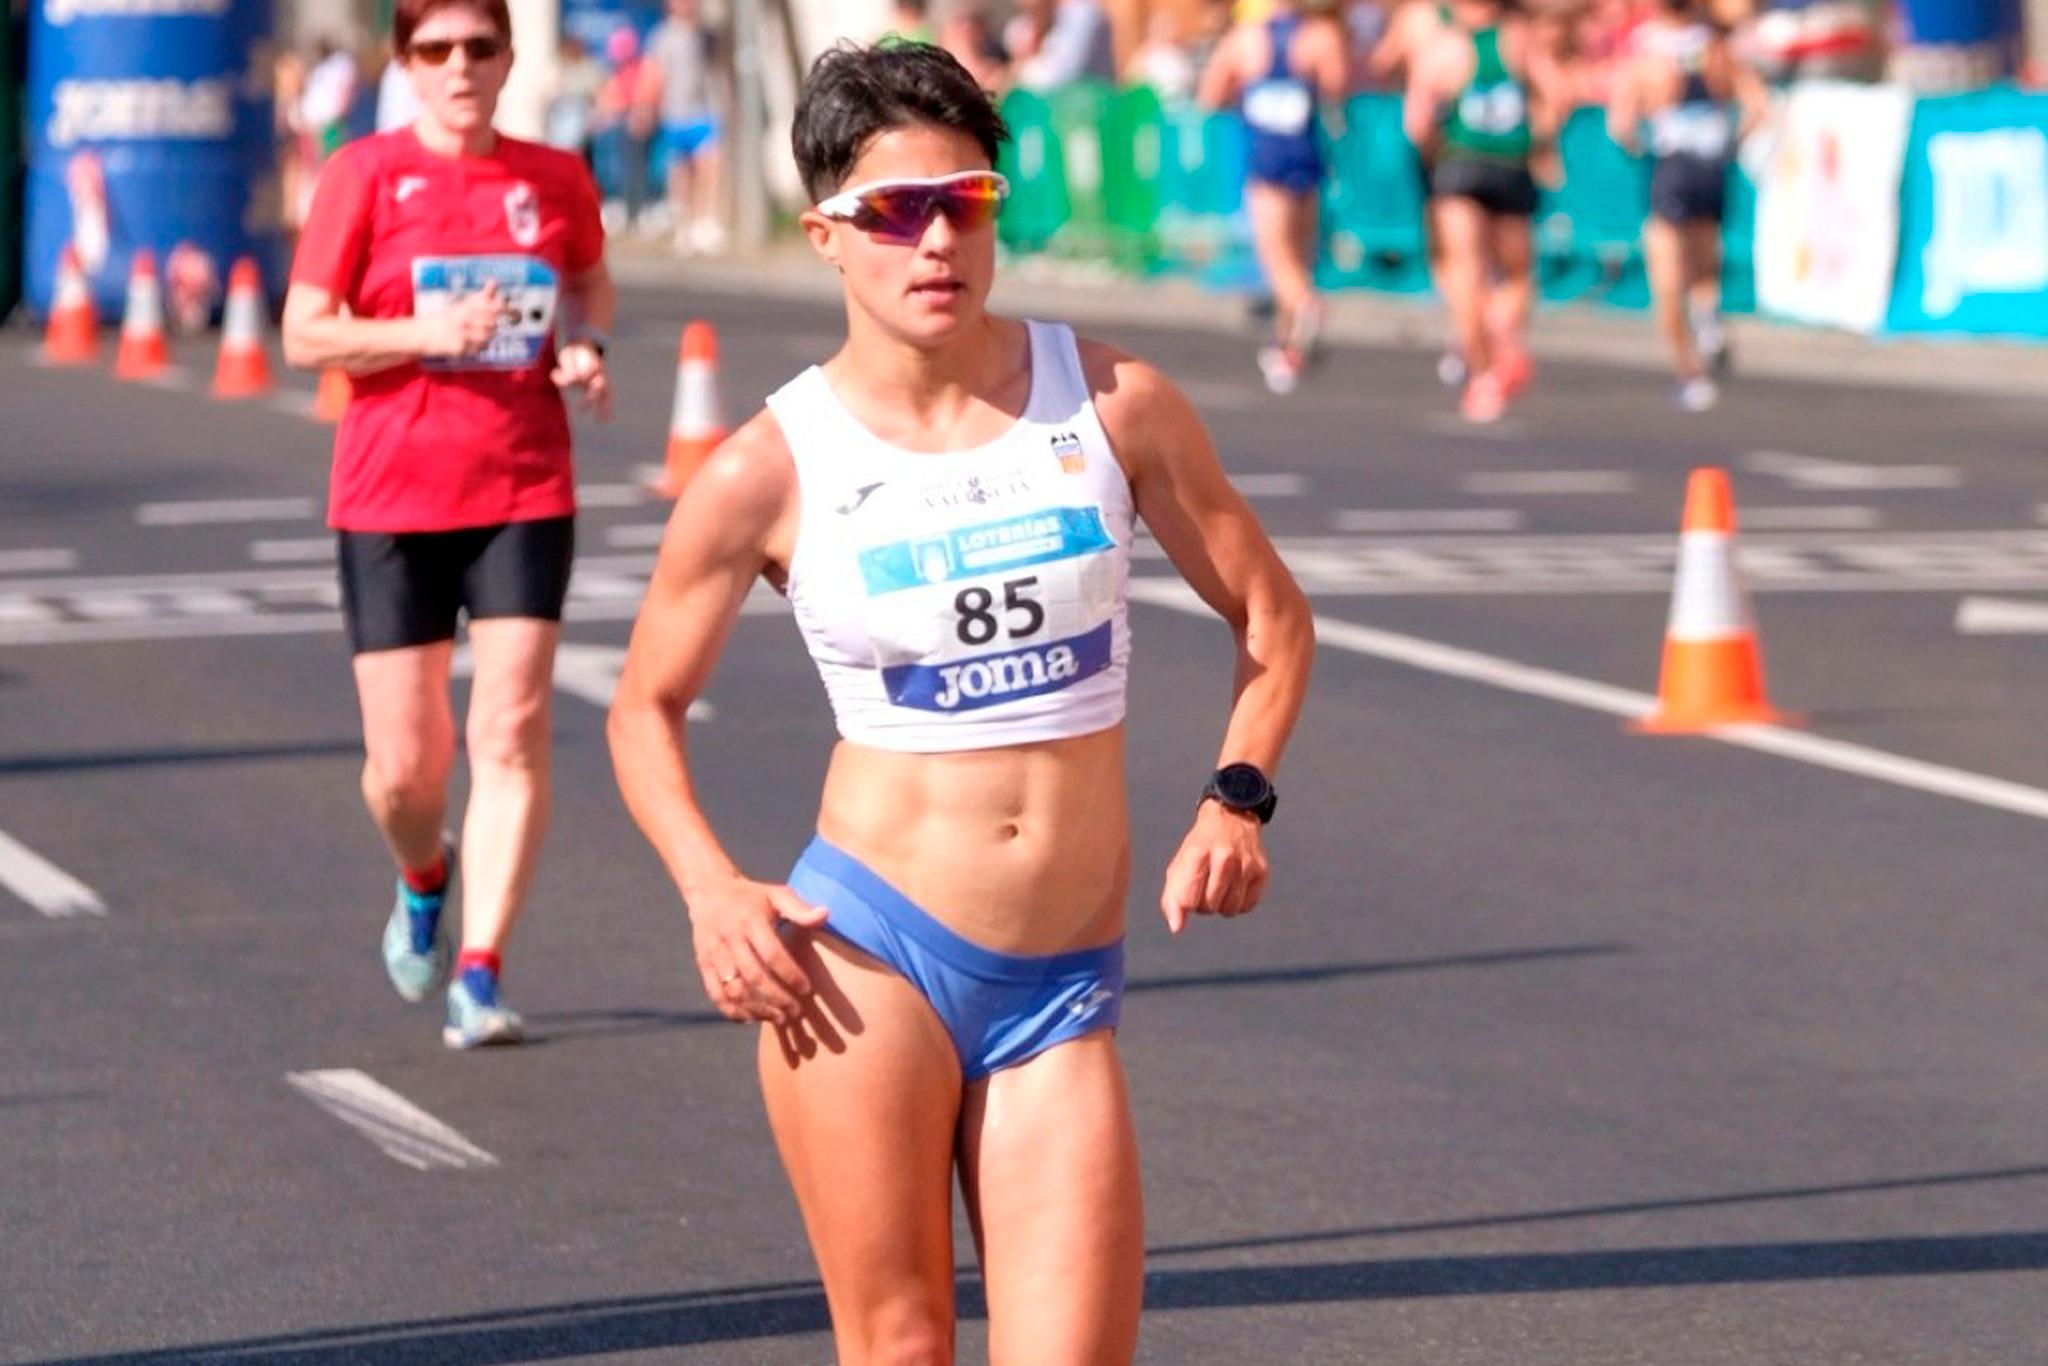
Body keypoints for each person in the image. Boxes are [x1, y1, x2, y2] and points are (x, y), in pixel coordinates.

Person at [608, 42, 1314, 1365]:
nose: (934, 240)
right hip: (867, 957)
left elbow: (1272, 619)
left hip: (1059, 983)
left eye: (965, 202)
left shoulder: (1114, 405)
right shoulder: (768, 465)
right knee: (905, 1346)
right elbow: (641, 705)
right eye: (893, 211)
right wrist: (712, 890)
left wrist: (1239, 793)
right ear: (825, 235)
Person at [280, 0, 615, 1049]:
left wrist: (583, 345)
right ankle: (424, 874)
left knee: (508, 730)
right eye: (436, 50)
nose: (460, 66)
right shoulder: (365, 175)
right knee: (404, 771)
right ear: (406, 63)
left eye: (480, 47)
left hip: (523, 484)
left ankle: (481, 967)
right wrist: (424, 331)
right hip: (391, 492)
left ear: (509, 59)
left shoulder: (553, 178)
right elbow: (300, 332)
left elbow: (589, 281)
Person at [1405, 0, 1563, 422]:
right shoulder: (1520, 38)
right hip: (1511, 164)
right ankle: (1501, 333)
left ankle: (1482, 371)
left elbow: (1417, 122)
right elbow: (1555, 93)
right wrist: (1542, 139)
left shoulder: (1444, 47)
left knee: (1465, 271)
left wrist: (1431, 153)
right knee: (1515, 275)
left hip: (1460, 165)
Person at [1609, 0, 1766, 411]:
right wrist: (1732, 145)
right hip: (1711, 167)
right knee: (1703, 264)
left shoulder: (1646, 54)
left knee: (1667, 282)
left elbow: (1621, 124)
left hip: (1672, 165)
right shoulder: (1716, 48)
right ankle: (1708, 319)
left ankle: (1690, 374)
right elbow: (1757, 105)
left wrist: (1639, 148)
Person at [1199, 0, 1350, 394]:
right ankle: (1290, 347)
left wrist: (1244, 95)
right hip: (1305, 153)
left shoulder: (1244, 39)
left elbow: (1211, 94)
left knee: (1278, 257)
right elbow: (1337, 89)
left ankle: (1305, 306)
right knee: (1300, 253)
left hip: (1266, 157)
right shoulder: (1320, 36)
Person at [644, 0, 725, 254]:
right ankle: (684, 225)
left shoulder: (707, 34)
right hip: (675, 115)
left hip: (704, 111)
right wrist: (647, 106)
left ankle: (705, 222)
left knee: (709, 167)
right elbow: (654, 73)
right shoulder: (663, 36)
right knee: (680, 175)